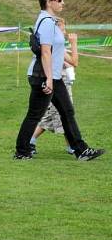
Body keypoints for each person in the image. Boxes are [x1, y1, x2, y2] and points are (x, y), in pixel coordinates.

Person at [13, 0, 105, 161]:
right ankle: (22, 151)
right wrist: (48, 79)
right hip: (44, 76)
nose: (63, 2)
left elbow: (56, 52)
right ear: (49, 2)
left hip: (53, 76)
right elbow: (46, 52)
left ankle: (81, 150)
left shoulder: (51, 21)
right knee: (35, 114)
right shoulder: (46, 22)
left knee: (67, 111)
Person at [30, 18, 79, 155]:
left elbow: (71, 62)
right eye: (62, 30)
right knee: (64, 114)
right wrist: (74, 44)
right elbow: (73, 62)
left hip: (60, 84)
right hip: (56, 84)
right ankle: (73, 145)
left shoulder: (58, 47)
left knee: (50, 117)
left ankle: (30, 140)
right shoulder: (52, 47)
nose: (64, 33)